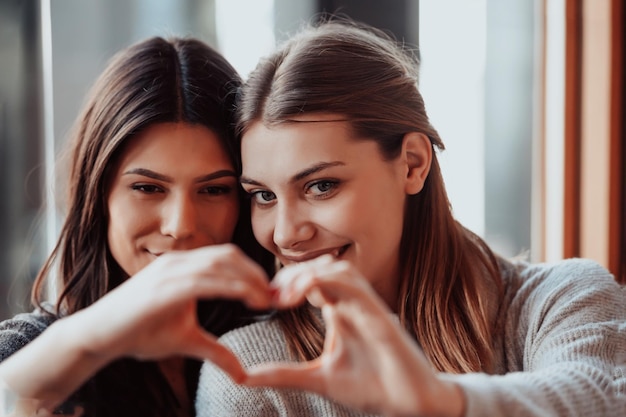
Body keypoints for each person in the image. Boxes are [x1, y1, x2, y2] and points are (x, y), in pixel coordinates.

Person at [195, 19, 626, 417]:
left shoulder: (559, 302)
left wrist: (439, 401)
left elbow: (600, 397)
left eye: (321, 186)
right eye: (264, 195)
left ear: (413, 164)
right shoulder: (248, 371)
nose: (287, 233)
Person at [0, 36, 275, 417]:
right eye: (147, 187)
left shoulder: (276, 350)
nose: (180, 225)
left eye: (214, 189)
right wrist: (86, 342)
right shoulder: (36, 350)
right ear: (98, 194)